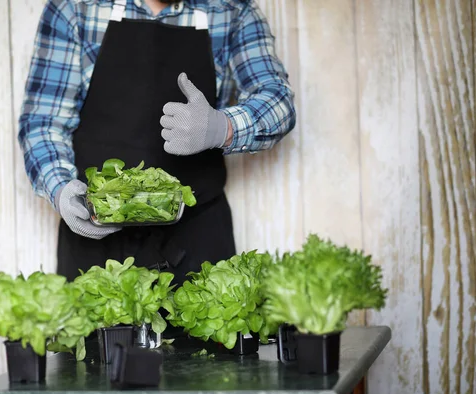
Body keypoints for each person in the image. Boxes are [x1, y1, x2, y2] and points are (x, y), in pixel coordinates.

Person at [18, 0, 296, 287]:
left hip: (197, 235)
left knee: (205, 331)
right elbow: (43, 122)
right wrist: (61, 189)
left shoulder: (232, 11)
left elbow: (278, 100)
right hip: (97, 235)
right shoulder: (76, 8)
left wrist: (222, 128)